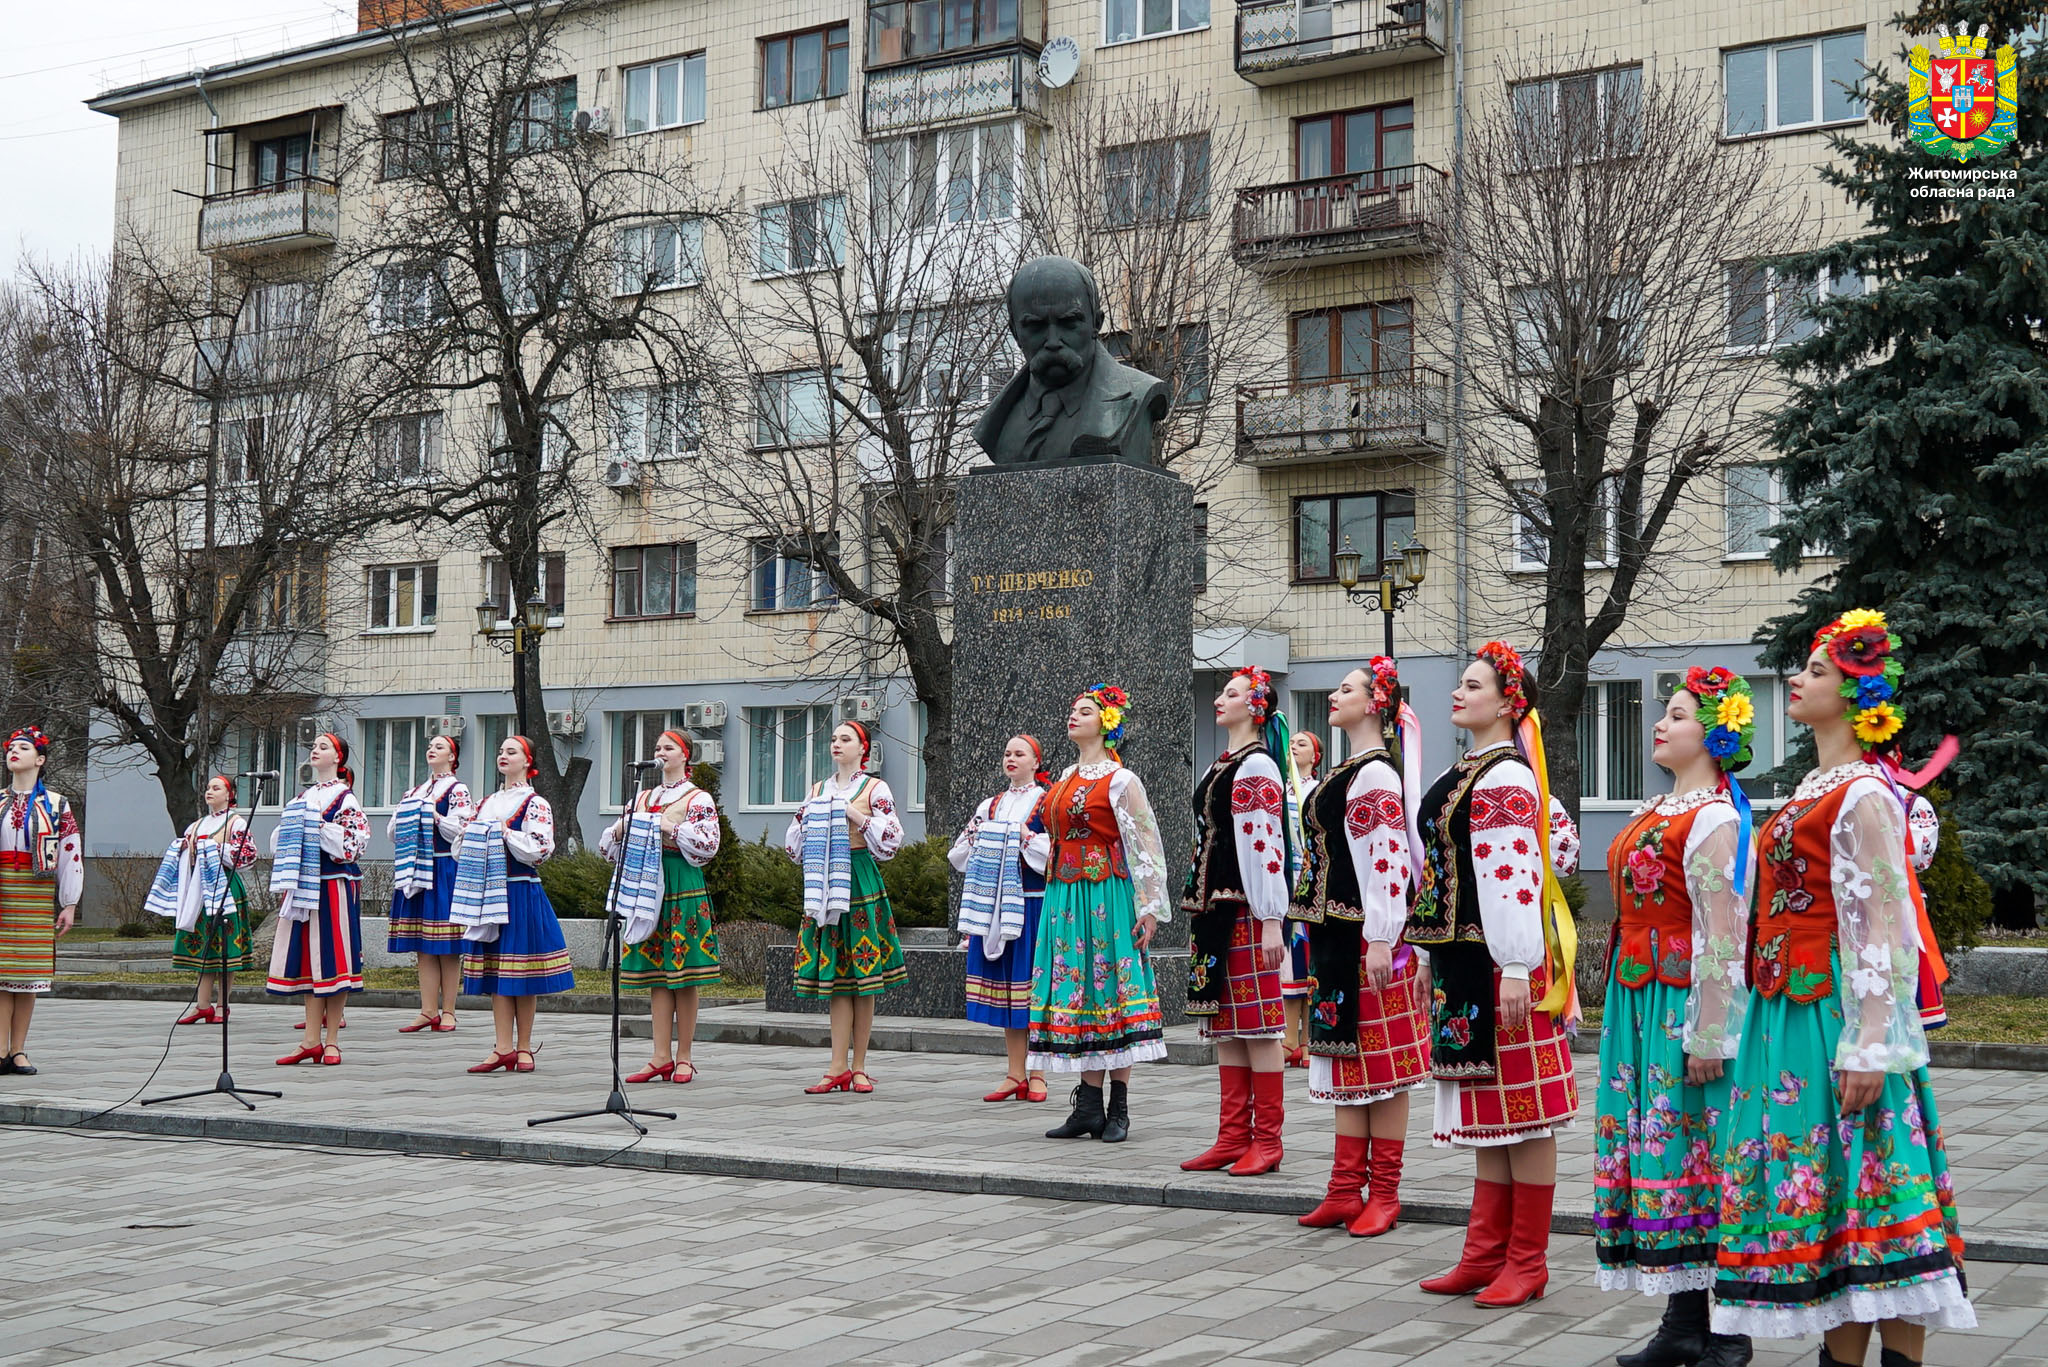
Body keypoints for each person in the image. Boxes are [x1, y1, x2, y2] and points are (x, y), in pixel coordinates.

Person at [1713, 611, 1974, 1364]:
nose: (1797, 678)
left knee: (1876, 1197)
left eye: (1817, 671)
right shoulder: (1819, 785)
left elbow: (1881, 926)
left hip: (1838, 1017)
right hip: (1790, 1017)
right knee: (1832, 1204)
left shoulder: (1861, 793)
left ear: (1858, 696)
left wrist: (1871, 1041)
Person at [1410, 642, 1581, 1307]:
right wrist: (1427, 955)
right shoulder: (1470, 768)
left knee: (1524, 1113)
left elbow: (1512, 876)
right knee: (1490, 1110)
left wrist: (1515, 963)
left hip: (1503, 965)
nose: (1458, 691)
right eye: (1459, 682)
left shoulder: (1506, 775)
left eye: (1472, 684)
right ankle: (1485, 1252)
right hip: (1467, 960)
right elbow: (1440, 872)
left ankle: (1527, 1260)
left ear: (1511, 702)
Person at [1597, 669, 1758, 1367]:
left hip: (1680, 1004)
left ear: (1715, 734)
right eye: (1664, 713)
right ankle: (1683, 1321)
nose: (1660, 723)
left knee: (1698, 1153)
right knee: (1662, 1155)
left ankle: (1725, 1327)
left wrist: (1711, 1030)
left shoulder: (1714, 817)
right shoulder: (1659, 808)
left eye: (1679, 714)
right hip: (1638, 1001)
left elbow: (1725, 932)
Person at [1293, 658, 1431, 1236]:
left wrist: (1381, 937)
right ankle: (1346, 1186)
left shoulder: (1375, 773)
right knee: (1346, 1056)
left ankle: (1386, 1190)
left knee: (1381, 1062)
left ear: (1374, 702)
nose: (1334, 694)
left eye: (1346, 688)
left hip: (1367, 938)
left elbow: (1387, 860)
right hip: (1335, 933)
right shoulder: (1349, 769)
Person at [1033, 684, 1172, 1145]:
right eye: (1073, 709)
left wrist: (1149, 906)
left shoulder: (1120, 779)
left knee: (1110, 987)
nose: (1074, 716)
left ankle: (1119, 1106)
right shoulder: (1065, 777)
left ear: (1106, 723)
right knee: (1083, 993)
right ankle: (1088, 1107)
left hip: (1106, 894)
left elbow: (1145, 843)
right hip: (1065, 899)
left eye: (1085, 711)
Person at [1180, 666, 1298, 1176]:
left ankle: (1267, 1140)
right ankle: (1232, 1135)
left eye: (1231, 694)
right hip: (1216, 909)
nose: (1219, 701)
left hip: (1246, 909)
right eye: (1222, 693)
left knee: (1259, 1026)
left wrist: (1272, 918)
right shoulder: (1226, 762)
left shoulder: (1256, 767)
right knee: (1229, 1026)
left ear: (1256, 706)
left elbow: (1266, 848)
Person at [784, 721, 906, 1094]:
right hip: (823, 881)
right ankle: (837, 1064)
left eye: (845, 739)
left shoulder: (874, 788)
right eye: (834, 739)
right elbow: (793, 843)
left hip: (858, 877)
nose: (837, 744)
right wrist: (808, 822)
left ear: (862, 749)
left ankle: (860, 1066)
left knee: (863, 977)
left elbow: (892, 838)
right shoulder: (818, 789)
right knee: (837, 975)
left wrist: (855, 815)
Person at [599, 729, 722, 1085]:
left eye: (668, 747)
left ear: (686, 755)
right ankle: (659, 1055)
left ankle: (684, 1056)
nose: (660, 752)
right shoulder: (644, 796)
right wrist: (620, 829)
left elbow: (708, 845)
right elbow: (608, 848)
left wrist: (670, 826)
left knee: (683, 974)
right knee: (657, 975)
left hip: (681, 881)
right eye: (657, 748)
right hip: (647, 887)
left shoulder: (698, 798)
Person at [455, 735, 575, 1073]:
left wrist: (504, 833)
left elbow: (539, 850)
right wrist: (471, 834)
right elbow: (461, 850)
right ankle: (502, 1046)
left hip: (520, 890)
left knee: (521, 970)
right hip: (487, 893)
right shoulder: (487, 802)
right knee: (497, 970)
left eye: (512, 751)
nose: (503, 755)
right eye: (501, 750)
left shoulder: (535, 803)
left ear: (528, 761)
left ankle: (524, 1047)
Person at [950, 734, 1051, 1103]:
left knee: (1034, 988)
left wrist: (1023, 836)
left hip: (1033, 902)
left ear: (1035, 762)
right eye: (1007, 752)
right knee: (1010, 988)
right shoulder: (990, 805)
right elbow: (959, 854)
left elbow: (1053, 856)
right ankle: (1014, 1073)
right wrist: (980, 839)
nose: (1011, 758)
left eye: (1019, 753)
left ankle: (1038, 1073)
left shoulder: (1047, 802)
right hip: (994, 907)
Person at [270, 732, 369, 1066]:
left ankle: (332, 1041)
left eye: (323, 746)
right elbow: (281, 841)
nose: (315, 750)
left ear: (338, 758)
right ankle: (310, 1039)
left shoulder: (345, 798)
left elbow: (354, 845)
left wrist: (318, 827)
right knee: (310, 961)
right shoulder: (303, 797)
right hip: (303, 886)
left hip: (333, 885)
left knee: (332, 958)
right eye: (313, 746)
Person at [0, 726, 81, 1076]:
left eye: (23, 747)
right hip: (1, 889)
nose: (13, 752)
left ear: (40, 758)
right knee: (1, 974)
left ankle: (18, 1050)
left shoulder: (57, 804)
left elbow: (70, 852)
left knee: (27, 974)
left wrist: (69, 902)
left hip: (35, 892)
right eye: (10, 748)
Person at [385, 735, 472, 1034]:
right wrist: (407, 815)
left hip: (444, 865)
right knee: (423, 944)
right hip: (415, 865)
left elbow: (461, 829)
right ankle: (427, 1009)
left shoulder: (457, 789)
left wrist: (434, 815)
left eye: (439, 747)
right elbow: (393, 832)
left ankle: (449, 1011)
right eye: (430, 746)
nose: (432, 750)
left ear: (452, 756)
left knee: (447, 945)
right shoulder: (414, 791)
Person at [165, 775, 260, 1024]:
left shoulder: (236, 823)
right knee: (206, 947)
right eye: (208, 788)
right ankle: (202, 1004)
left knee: (226, 948)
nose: (209, 792)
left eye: (216, 788)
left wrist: (215, 848)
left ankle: (223, 1005)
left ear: (229, 795)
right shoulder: (196, 825)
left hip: (226, 888)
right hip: (199, 890)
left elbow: (248, 856)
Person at [1282, 730, 1323, 1069]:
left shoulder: (1319, 791)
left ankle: (1310, 1041)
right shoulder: (1281, 791)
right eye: (1291, 743)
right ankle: (1289, 1038)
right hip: (1285, 884)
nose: (1294, 747)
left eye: (1302, 744)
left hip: (1312, 883)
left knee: (1311, 962)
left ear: (1316, 755)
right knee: (1290, 962)